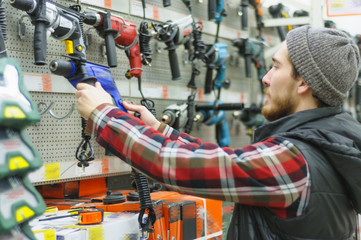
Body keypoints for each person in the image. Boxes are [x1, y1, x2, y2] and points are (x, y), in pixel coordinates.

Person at [75, 25, 361, 239]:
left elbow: (176, 165)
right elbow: (225, 160)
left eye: (275, 67)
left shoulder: (294, 161)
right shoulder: (328, 147)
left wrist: (105, 115)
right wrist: (160, 130)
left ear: (303, 84)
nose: (266, 78)